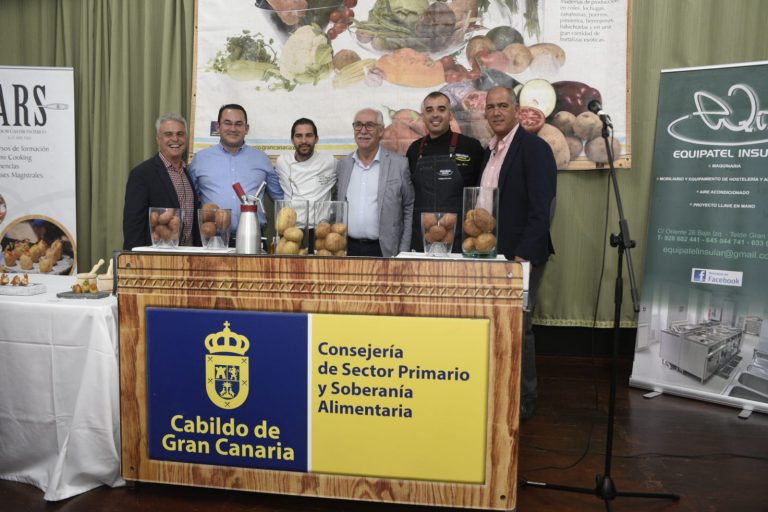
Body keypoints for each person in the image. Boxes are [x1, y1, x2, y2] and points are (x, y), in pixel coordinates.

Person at [481, 86, 557, 420]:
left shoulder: (534, 148)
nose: (496, 112)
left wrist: (522, 258)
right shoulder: (490, 151)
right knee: (494, 325)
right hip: (488, 255)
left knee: (520, 326)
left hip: (519, 257)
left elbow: (543, 210)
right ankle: (496, 387)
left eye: (502, 106)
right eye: (490, 107)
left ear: (515, 110)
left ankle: (524, 398)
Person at [189, 104, 283, 240]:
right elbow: (190, 200)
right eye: (227, 123)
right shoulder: (200, 159)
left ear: (247, 128)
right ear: (218, 127)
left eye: (239, 124)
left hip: (253, 239)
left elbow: (281, 199)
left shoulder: (262, 159)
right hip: (212, 240)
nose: (233, 129)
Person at [406, 91, 484, 252]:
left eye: (441, 109)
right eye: (429, 110)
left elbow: (480, 195)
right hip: (422, 239)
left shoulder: (471, 147)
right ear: (423, 116)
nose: (435, 115)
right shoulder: (414, 150)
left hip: (459, 240)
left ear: (451, 115)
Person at [335, 108, 414, 257]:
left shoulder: (399, 164)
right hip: (347, 249)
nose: (363, 131)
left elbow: (408, 207)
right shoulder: (344, 165)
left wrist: (403, 251)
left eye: (369, 125)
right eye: (358, 125)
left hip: (385, 250)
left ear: (381, 131)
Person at [123, 113, 200, 250]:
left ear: (186, 138)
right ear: (158, 139)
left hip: (189, 257)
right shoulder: (142, 174)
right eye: (168, 134)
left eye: (180, 134)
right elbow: (133, 225)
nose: (175, 139)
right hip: (157, 260)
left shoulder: (188, 173)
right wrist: (136, 260)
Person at [275, 118, 336, 251]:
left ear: (316, 139)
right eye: (298, 136)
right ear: (292, 140)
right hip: (290, 231)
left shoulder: (330, 162)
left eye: (309, 135)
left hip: (320, 232)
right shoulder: (282, 162)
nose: (304, 141)